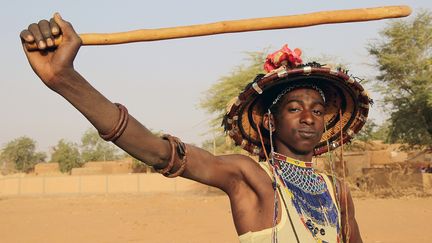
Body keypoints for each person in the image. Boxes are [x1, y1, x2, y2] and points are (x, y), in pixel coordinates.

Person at [20, 13, 366, 243]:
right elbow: (159, 152)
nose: (308, 118)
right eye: (294, 108)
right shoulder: (250, 176)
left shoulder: (336, 190)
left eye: (317, 111)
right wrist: (65, 80)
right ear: (269, 120)